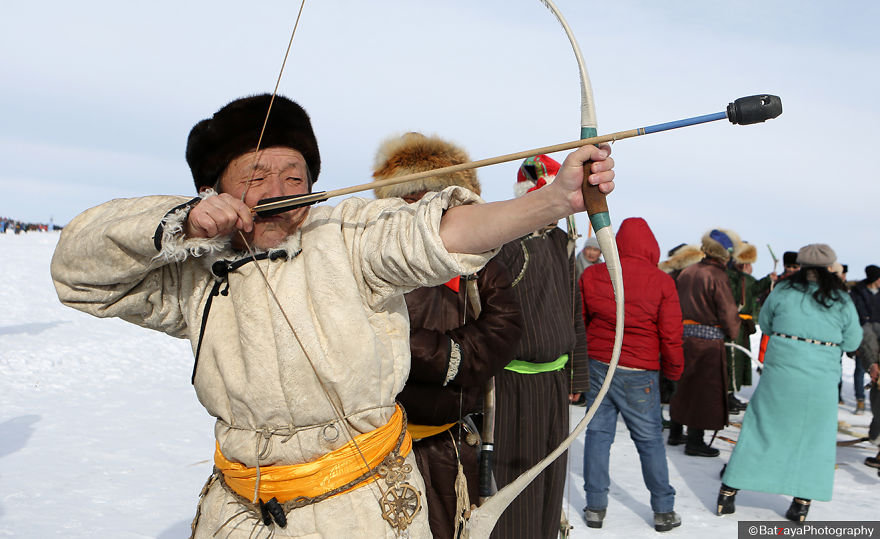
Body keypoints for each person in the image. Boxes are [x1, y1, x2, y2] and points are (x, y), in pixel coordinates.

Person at [49, 94, 616, 538]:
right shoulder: (193, 274)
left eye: (294, 177)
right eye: (255, 178)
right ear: (211, 193)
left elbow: (438, 233)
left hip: (360, 510)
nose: (279, 191)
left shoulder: (347, 237)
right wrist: (181, 221)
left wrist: (551, 201)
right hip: (238, 510)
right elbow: (78, 273)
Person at [371, 132, 523, 538]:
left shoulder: (478, 260)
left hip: (445, 445)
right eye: (409, 197)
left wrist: (441, 356)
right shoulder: (367, 253)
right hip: (369, 447)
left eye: (432, 196)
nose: (420, 207)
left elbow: (503, 330)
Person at [716, 244, 862, 522]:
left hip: (781, 372)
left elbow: (766, 324)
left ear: (802, 266)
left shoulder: (784, 290)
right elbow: (852, 341)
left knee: (761, 428)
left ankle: (728, 493)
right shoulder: (841, 299)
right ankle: (801, 504)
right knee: (814, 438)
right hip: (820, 378)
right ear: (829, 267)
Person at [490, 154, 589, 539]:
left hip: (554, 383)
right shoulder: (506, 242)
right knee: (516, 480)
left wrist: (576, 374)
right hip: (513, 384)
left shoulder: (562, 242)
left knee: (551, 475)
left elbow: (573, 309)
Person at [579, 217, 684, 532]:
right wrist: (674, 372)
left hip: (600, 363)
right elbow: (671, 334)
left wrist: (578, 367)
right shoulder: (662, 281)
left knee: (598, 436)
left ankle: (595, 506)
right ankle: (663, 510)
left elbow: (580, 322)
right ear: (651, 246)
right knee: (649, 441)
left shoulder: (593, 274)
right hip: (640, 371)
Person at [668, 229, 741, 457]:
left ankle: (675, 432)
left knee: (683, 387)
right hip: (707, 344)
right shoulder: (717, 276)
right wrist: (733, 331)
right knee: (701, 391)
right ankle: (695, 440)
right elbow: (727, 310)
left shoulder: (687, 271)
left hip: (683, 337)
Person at [850, 265, 880, 414]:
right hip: (862, 335)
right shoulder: (857, 293)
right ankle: (860, 400)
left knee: (876, 371)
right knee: (861, 368)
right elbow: (853, 316)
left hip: (878, 337)